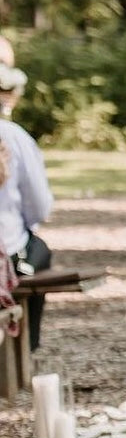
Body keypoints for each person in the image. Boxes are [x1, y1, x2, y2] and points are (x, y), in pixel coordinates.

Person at [0, 65, 53, 350]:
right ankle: (26, 345)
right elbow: (40, 207)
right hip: (8, 250)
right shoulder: (12, 136)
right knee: (35, 251)